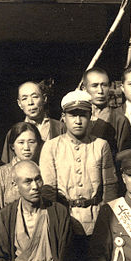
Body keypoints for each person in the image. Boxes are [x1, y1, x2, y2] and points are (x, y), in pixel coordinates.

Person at [39, 90, 118, 237]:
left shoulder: (100, 145)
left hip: (96, 221)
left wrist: (107, 221)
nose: (78, 120)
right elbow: (48, 191)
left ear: (90, 116)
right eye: (73, 115)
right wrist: (57, 223)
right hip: (64, 220)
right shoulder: (52, 147)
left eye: (83, 115)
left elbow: (110, 187)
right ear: (63, 117)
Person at [0, 122, 43, 231]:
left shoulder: (44, 171)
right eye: (21, 142)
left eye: (31, 142)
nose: (26, 147)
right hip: (9, 234)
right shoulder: (1, 174)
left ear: (39, 144)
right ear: (12, 146)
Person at [83, 68, 131, 156]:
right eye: (94, 85)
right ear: (84, 88)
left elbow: (125, 157)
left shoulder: (120, 120)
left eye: (104, 85)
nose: (100, 91)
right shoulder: (77, 118)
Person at [10, 80, 63, 151]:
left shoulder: (60, 128)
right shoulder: (14, 132)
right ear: (19, 104)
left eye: (35, 97)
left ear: (44, 98)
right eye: (24, 98)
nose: (30, 102)